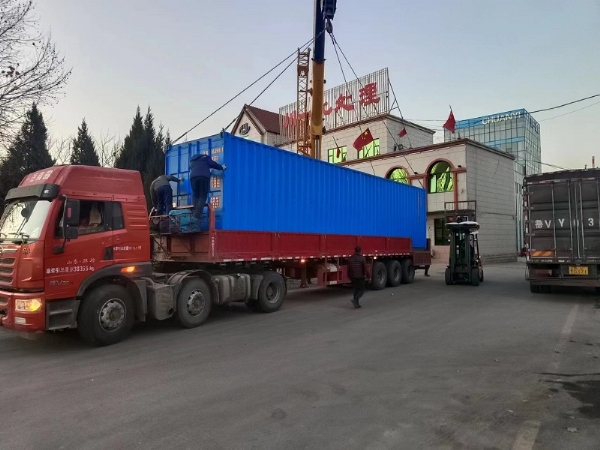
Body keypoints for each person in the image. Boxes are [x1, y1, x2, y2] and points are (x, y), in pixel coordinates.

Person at [189, 154, 226, 219]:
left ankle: (195, 211)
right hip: (203, 177)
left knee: (195, 195)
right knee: (203, 195)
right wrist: (221, 167)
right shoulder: (205, 158)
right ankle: (198, 214)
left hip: (193, 178)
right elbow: (213, 164)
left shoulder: (193, 161)